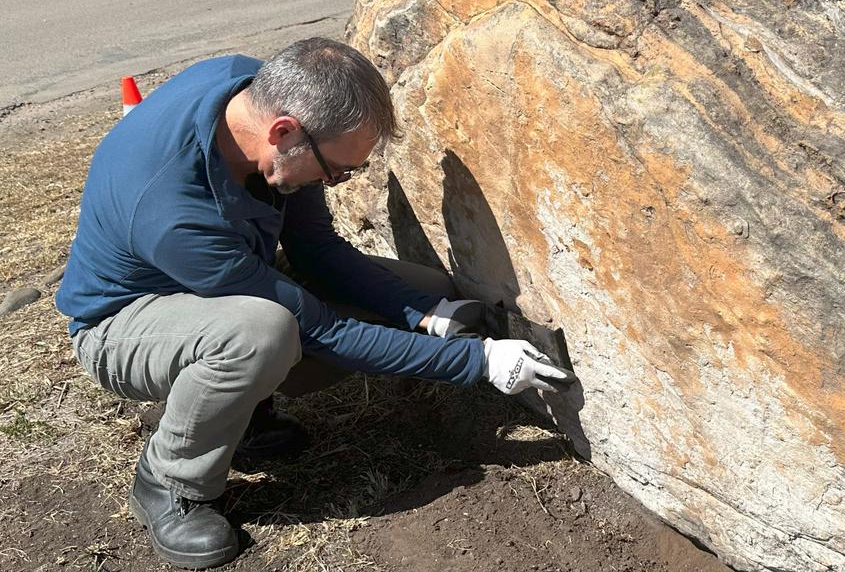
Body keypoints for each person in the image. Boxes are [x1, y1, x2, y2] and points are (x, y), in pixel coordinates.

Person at [55, 38, 571, 570]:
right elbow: (319, 329)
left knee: (419, 285)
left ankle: (238, 411)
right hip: (123, 324)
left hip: (221, 285)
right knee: (262, 334)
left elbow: (316, 250)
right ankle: (170, 480)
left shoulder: (258, 94)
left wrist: (427, 314)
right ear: (284, 133)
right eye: (335, 171)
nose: (334, 182)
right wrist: (480, 363)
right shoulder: (171, 206)